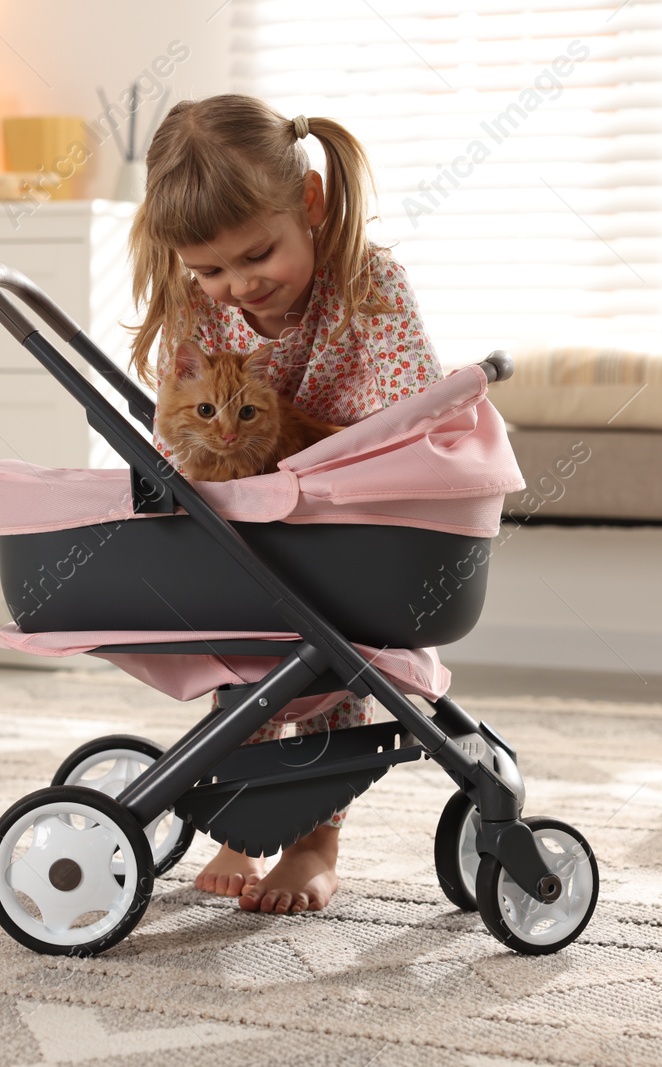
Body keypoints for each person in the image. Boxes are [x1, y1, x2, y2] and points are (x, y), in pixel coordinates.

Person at [128, 93, 442, 915]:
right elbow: (176, 432)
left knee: (335, 668)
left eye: (256, 255)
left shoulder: (372, 288)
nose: (237, 286)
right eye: (210, 269)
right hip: (246, 533)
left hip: (348, 526)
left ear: (309, 202)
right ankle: (244, 823)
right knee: (248, 668)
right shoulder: (199, 311)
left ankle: (312, 838)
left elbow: (416, 419)